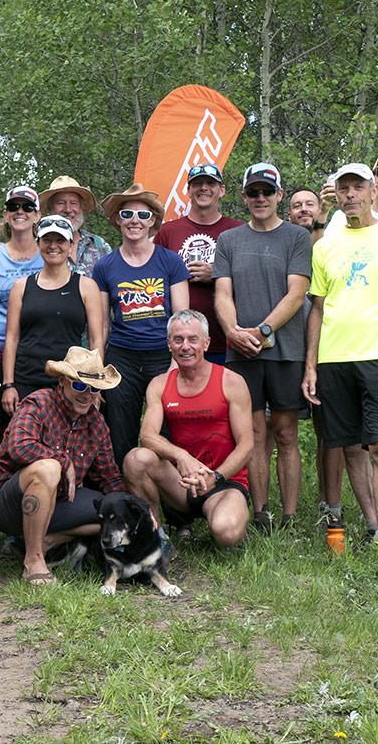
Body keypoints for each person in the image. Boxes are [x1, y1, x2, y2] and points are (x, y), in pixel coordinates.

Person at [303, 163, 378, 542]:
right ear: (336, 195)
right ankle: (374, 525)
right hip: (333, 359)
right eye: (344, 189)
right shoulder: (325, 247)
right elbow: (318, 308)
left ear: (373, 191)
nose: (351, 195)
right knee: (349, 447)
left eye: (358, 187)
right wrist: (310, 365)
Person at [213, 163, 310, 531]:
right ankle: (261, 513)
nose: (260, 198)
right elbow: (223, 293)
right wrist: (233, 331)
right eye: (253, 192)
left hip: (286, 349)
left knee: (285, 432)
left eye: (267, 191)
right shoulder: (230, 240)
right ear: (243, 197)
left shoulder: (296, 238)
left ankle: (289, 515)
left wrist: (264, 330)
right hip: (240, 351)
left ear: (279, 196)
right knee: (252, 434)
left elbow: (297, 292)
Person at [0, 347, 126, 586]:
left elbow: (109, 476)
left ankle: (47, 541)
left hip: (59, 503)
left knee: (115, 513)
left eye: (94, 388)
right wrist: (63, 461)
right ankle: (33, 561)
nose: (87, 394)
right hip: (7, 505)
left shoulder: (96, 422)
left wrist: (132, 508)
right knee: (48, 468)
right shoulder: (39, 403)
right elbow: (19, 447)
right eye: (79, 385)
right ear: (62, 381)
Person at [124, 310, 254, 548]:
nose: (185, 347)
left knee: (225, 533)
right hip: (181, 483)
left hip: (223, 481)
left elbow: (247, 445)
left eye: (193, 339)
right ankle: (154, 537)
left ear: (206, 343)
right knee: (135, 459)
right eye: (178, 339)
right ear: (168, 344)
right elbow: (147, 436)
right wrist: (181, 456)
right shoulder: (160, 384)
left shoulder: (231, 381)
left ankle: (233, 516)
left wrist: (217, 477)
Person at [92, 184, 190, 463]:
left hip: (163, 355)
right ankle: (123, 499)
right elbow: (101, 327)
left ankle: (171, 499)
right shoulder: (105, 267)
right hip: (122, 358)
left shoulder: (171, 262)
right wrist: (98, 375)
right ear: (117, 220)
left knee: (167, 431)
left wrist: (177, 363)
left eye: (142, 215)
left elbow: (182, 319)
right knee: (120, 433)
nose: (135, 220)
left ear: (153, 222)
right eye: (127, 213)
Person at [0, 215, 106, 414]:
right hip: (27, 380)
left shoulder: (86, 287)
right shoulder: (21, 287)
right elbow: (12, 338)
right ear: (38, 242)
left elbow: (96, 340)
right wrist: (8, 384)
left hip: (71, 383)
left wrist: (94, 385)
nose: (53, 246)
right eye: (47, 240)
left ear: (70, 244)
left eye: (60, 240)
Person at [288, 185, 342, 525]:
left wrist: (322, 218)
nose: (304, 209)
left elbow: (321, 248)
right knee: (283, 428)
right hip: (290, 346)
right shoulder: (286, 241)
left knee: (329, 430)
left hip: (329, 345)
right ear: (288, 212)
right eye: (297, 205)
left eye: (310, 204)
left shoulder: (330, 238)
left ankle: (329, 500)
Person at [153, 162, 241, 363]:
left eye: (210, 183)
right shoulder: (168, 231)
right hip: (179, 342)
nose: (204, 188)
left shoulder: (237, 231)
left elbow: (251, 282)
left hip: (225, 337)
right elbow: (154, 281)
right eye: (197, 183)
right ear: (188, 190)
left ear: (222, 190)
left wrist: (217, 275)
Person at [0, 185, 44, 356]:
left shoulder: (48, 254)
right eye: (13, 207)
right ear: (6, 215)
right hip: (0, 348)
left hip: (39, 348)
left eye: (28, 207)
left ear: (37, 215)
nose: (20, 212)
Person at [39, 175, 111, 276]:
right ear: (49, 208)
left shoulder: (99, 245)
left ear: (81, 208)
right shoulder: (40, 247)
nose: (68, 209)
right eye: (60, 203)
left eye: (73, 203)